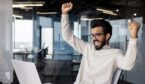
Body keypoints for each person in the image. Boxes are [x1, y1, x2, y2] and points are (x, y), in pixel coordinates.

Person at [61, 2, 140, 84]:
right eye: (92, 35)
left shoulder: (114, 54)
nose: (94, 38)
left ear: (107, 36)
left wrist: (133, 37)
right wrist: (64, 14)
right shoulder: (87, 48)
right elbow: (68, 37)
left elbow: (128, 65)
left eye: (98, 35)